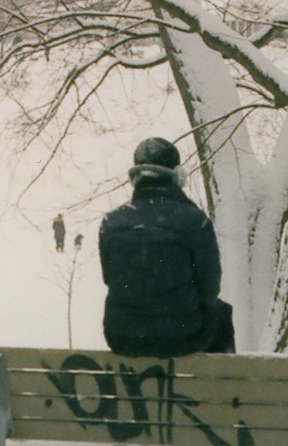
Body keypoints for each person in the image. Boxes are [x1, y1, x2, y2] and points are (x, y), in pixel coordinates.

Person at [98, 137, 233, 357]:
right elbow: (210, 288)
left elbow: (109, 278)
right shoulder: (195, 221)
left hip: (123, 337)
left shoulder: (112, 222)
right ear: (177, 175)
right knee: (221, 313)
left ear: (136, 177)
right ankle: (214, 388)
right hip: (182, 337)